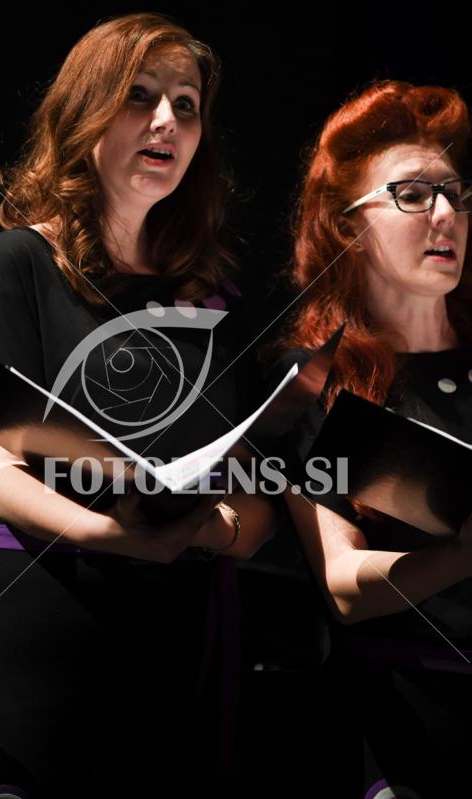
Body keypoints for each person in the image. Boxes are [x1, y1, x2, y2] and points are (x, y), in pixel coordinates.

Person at [0, 13, 274, 799]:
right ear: (83, 113)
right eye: (139, 95)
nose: (167, 120)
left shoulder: (213, 298)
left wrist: (218, 528)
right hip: (38, 632)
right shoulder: (15, 263)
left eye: (186, 104)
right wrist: (115, 534)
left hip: (172, 645)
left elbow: (250, 486)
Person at [272, 81, 472, 798]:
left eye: (455, 194)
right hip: (401, 722)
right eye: (412, 195)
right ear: (347, 228)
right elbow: (343, 583)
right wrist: (461, 555)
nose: (445, 214)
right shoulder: (315, 386)